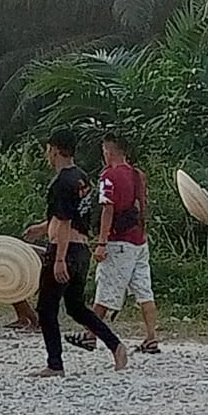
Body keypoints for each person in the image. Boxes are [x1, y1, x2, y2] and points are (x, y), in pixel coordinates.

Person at [22, 128, 128, 377]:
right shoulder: (82, 179)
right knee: (76, 307)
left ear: (55, 150)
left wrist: (58, 259)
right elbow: (72, 216)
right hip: (80, 250)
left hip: (64, 250)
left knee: (46, 309)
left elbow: (65, 222)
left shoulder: (60, 182)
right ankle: (115, 345)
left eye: (48, 149)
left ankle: (55, 364)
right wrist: (41, 229)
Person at [66, 133, 161, 354]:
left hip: (119, 242)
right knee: (144, 290)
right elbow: (142, 206)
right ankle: (151, 337)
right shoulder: (138, 175)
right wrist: (143, 231)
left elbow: (107, 208)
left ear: (108, 151)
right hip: (138, 240)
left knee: (106, 290)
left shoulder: (109, 176)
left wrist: (101, 241)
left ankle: (90, 334)